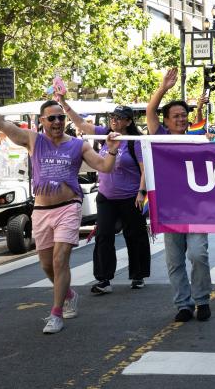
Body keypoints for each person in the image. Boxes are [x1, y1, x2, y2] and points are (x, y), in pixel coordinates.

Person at [0, 82, 121, 334]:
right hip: (40, 211)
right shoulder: (33, 140)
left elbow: (104, 167)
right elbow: (0, 124)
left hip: (68, 207)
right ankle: (68, 294)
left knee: (61, 261)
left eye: (61, 117)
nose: (58, 122)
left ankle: (56, 313)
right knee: (47, 266)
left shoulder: (78, 145)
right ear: (42, 121)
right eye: (52, 118)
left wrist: (112, 152)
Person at [61, 100, 151, 293]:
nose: (114, 121)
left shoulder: (136, 142)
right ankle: (104, 279)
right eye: (112, 117)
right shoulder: (105, 135)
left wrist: (141, 192)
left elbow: (145, 171)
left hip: (130, 197)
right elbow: (81, 124)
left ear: (128, 122)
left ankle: (138, 275)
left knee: (134, 236)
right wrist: (63, 103)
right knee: (103, 236)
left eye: (119, 118)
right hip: (106, 196)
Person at [147, 68, 212, 323]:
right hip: (169, 209)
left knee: (198, 254)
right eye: (176, 116)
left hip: (196, 209)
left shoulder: (196, 138)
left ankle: (202, 300)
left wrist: (211, 140)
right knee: (174, 261)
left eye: (184, 115)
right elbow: (151, 111)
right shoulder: (159, 136)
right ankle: (183, 305)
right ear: (166, 121)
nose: (181, 119)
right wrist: (163, 88)